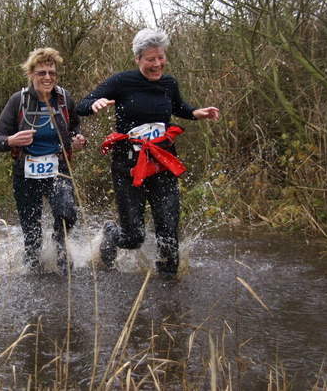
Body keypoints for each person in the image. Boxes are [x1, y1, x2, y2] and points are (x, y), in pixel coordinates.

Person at [76, 28, 219, 277]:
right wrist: (94, 104)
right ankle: (111, 233)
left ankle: (168, 293)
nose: (157, 64)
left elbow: (179, 107)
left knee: (168, 228)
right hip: (128, 166)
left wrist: (197, 113)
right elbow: (81, 105)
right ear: (138, 59)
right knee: (133, 237)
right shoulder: (122, 81)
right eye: (150, 59)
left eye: (161, 57)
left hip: (162, 161)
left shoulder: (168, 83)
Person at [0, 48, 86, 274]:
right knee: (32, 235)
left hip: (58, 169)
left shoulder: (64, 98)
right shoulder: (19, 100)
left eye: (52, 72)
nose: (47, 78)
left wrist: (78, 139)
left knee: (67, 213)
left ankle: (60, 248)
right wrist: (12, 140)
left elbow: (75, 127)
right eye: (42, 72)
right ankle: (33, 275)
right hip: (26, 173)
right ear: (31, 74)